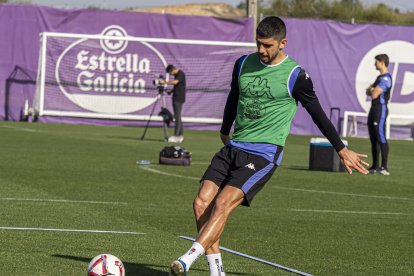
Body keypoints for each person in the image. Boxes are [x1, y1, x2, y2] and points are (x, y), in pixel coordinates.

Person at [169, 16, 369, 276]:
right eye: (258, 44)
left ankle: (187, 259)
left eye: (268, 45)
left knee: (223, 204)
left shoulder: (296, 76)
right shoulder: (242, 64)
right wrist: (224, 129)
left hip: (263, 153)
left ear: (283, 43)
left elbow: (317, 113)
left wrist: (341, 148)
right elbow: (234, 95)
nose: (261, 50)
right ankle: (216, 271)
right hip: (234, 146)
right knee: (200, 203)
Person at [365, 54, 392, 176]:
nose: (374, 64)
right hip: (373, 109)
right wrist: (372, 89)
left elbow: (374, 94)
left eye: (376, 62)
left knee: (380, 136)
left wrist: (372, 89)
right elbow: (368, 91)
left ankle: (384, 167)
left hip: (380, 110)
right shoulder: (379, 78)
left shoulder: (386, 78)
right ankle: (375, 166)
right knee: (373, 138)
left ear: (382, 62)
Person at [160, 64, 186, 143]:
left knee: (177, 117)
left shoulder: (180, 74)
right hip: (177, 97)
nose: (171, 75)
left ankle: (177, 136)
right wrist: (171, 92)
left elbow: (175, 82)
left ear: (172, 70)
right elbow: (177, 86)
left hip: (178, 99)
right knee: (178, 117)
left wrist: (164, 82)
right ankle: (180, 135)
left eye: (170, 73)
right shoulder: (177, 75)